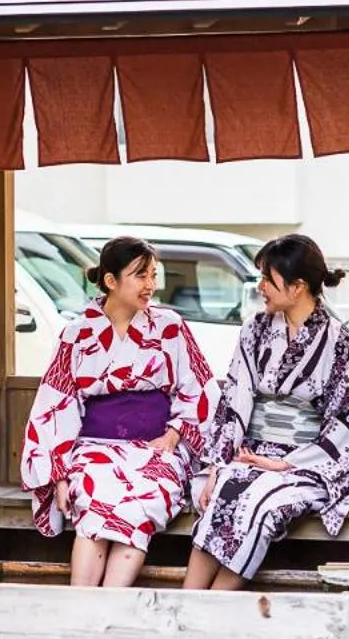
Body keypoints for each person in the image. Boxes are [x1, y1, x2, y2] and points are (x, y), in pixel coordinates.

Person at [21, 236, 214, 587]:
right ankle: (83, 610)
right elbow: (55, 407)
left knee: (140, 506)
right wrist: (60, 474)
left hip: (157, 446)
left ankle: (108, 610)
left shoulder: (170, 327)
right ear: (110, 281)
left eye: (153, 275)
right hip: (94, 447)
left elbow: (198, 389)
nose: (150, 285)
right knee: (94, 503)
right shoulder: (76, 335)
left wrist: (174, 434)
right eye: (140, 275)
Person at [184, 233, 349, 590]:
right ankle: (187, 603)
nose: (261, 287)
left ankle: (208, 607)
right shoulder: (254, 331)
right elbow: (234, 401)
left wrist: (287, 464)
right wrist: (218, 465)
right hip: (252, 454)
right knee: (224, 490)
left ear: (298, 286)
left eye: (268, 279)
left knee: (261, 501)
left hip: (306, 464)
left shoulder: (340, 343)